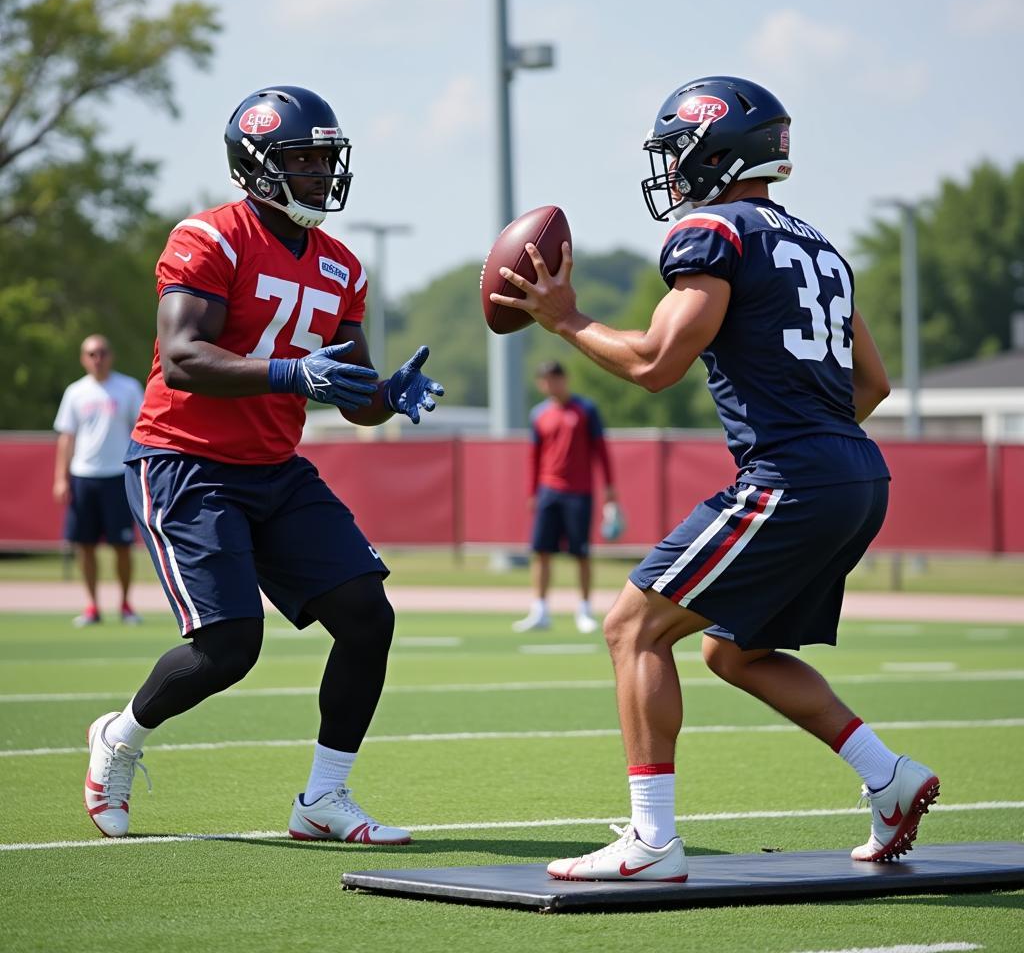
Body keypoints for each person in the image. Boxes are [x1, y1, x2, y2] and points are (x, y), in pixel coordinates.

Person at [491, 76, 939, 882]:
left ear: (714, 152)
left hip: (793, 475)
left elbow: (658, 364)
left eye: (677, 152)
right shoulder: (818, 244)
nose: (669, 171)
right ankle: (889, 777)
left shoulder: (714, 230)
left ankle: (652, 841)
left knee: (633, 628)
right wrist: (817, 437)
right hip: (857, 473)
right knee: (736, 652)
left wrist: (564, 320)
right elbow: (871, 383)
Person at [83, 85, 444, 845]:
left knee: (366, 616)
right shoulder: (208, 238)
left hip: (274, 465)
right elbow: (182, 358)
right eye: (302, 158)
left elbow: (349, 397)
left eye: (325, 157)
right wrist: (290, 374)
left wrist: (388, 395)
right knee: (228, 648)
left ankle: (322, 798)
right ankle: (119, 736)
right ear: (256, 167)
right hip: (187, 460)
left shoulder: (344, 265)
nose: (320, 172)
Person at [513, 360, 617, 634]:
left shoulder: (586, 410)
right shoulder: (539, 414)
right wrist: (532, 491)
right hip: (548, 491)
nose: (552, 384)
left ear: (565, 379)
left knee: (580, 552)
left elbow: (600, 450)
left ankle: (584, 610)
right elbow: (534, 457)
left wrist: (609, 486)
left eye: (556, 378)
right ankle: (540, 610)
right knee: (541, 551)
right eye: (546, 380)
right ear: (541, 383)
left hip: (579, 492)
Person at [53, 335, 144, 626]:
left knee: (122, 545)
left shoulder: (128, 388)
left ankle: (126, 605)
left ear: (111, 355)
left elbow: (140, 432)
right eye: (91, 354)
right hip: (83, 478)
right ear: (83, 358)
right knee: (85, 544)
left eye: (102, 352)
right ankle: (92, 606)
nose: (97, 358)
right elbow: (67, 438)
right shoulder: (75, 393)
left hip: (117, 477)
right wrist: (61, 478)